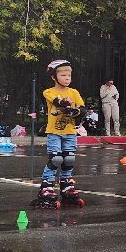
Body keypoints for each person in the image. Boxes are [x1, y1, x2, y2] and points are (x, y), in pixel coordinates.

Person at [34, 60, 86, 208]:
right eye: (63, 75)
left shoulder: (74, 92)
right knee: (56, 159)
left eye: (69, 75)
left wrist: (77, 112)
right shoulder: (49, 91)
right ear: (53, 77)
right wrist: (66, 104)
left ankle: (66, 185)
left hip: (70, 131)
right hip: (54, 132)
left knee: (69, 158)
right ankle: (47, 187)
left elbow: (82, 109)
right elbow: (57, 101)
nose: (67, 77)